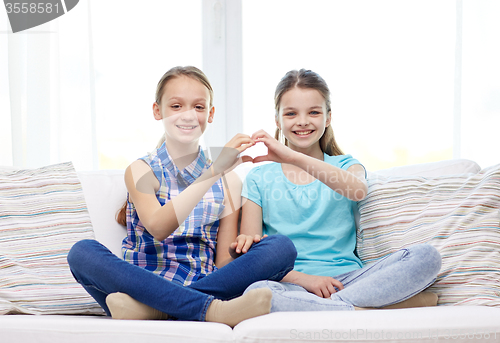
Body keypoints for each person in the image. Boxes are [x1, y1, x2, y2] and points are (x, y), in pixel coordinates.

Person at [67, 66, 296, 327]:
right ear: (158, 111)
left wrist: (244, 248)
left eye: (198, 107)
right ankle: (213, 311)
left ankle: (157, 310)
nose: (188, 115)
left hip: (203, 283)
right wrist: (212, 172)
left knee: (281, 248)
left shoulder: (229, 181)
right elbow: (157, 227)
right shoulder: (142, 170)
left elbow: (222, 262)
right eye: (176, 106)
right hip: (141, 284)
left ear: (210, 114)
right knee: (82, 252)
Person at [241, 69, 442, 312]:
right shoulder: (258, 177)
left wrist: (293, 157)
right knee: (257, 292)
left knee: (426, 256)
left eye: (314, 112)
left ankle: (329, 308)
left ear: (328, 118)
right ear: (277, 121)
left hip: (349, 281)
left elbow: (357, 191)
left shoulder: (346, 165)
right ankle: (357, 310)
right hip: (291, 283)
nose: (303, 121)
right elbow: (252, 257)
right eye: (291, 113)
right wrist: (307, 281)